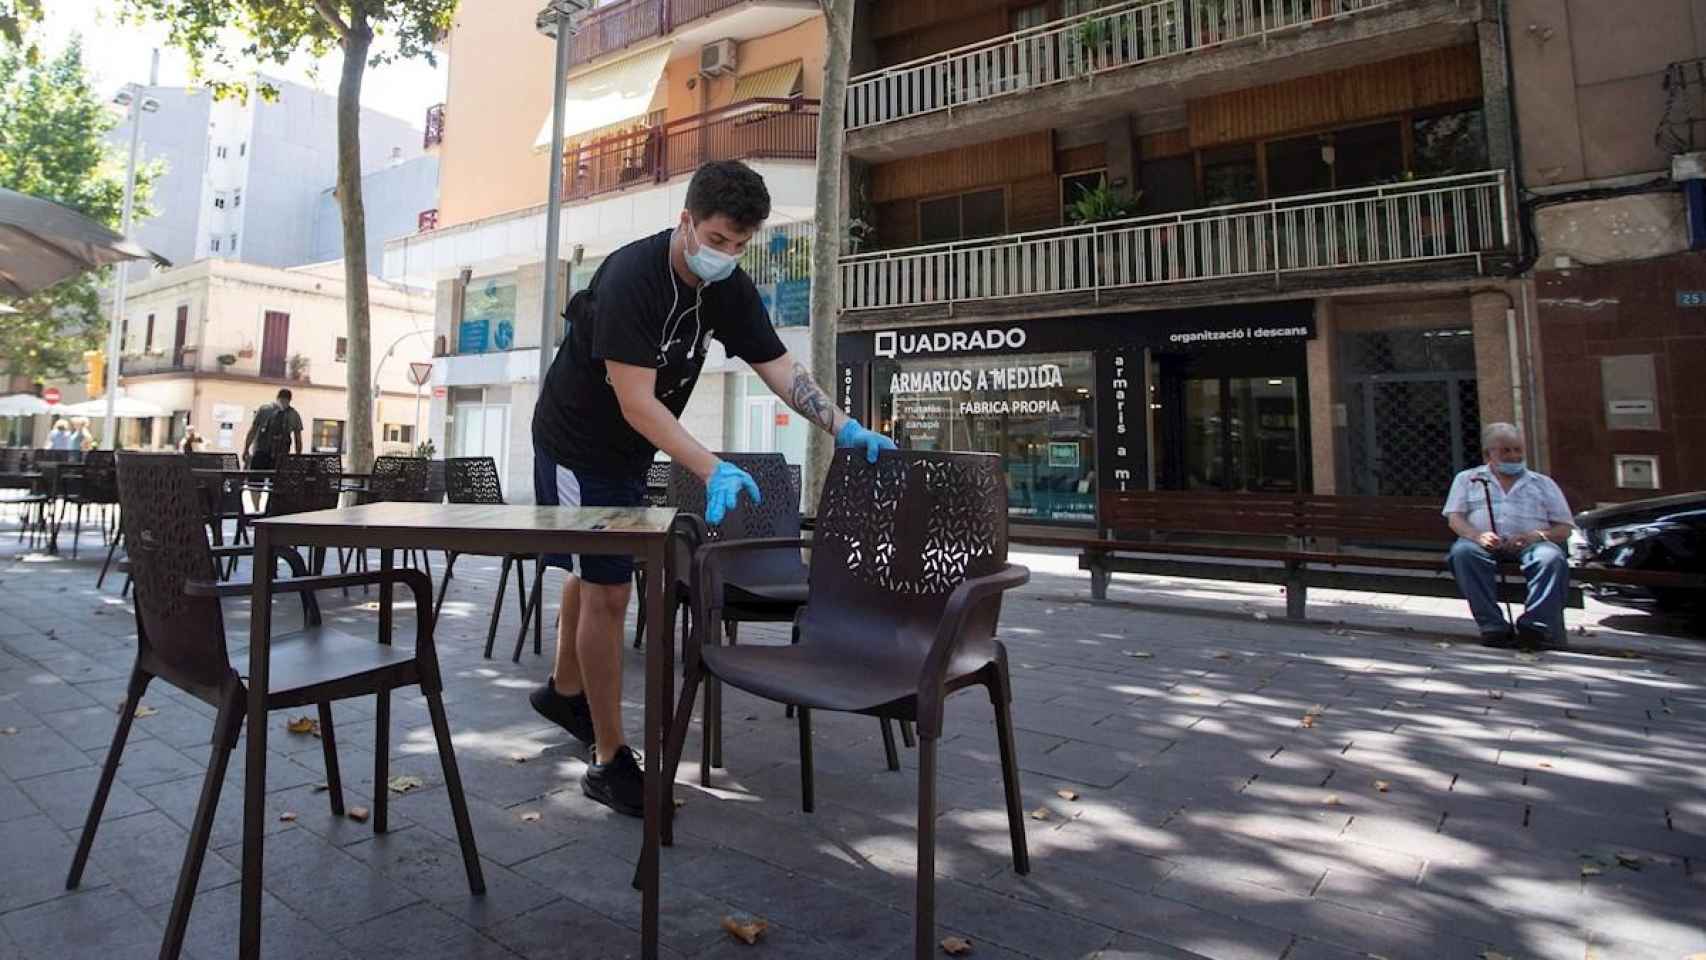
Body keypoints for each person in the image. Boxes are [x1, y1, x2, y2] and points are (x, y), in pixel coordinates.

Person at [528, 159, 896, 816]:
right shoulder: (631, 276)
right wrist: (709, 467)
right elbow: (637, 401)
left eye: (739, 245)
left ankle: (563, 691)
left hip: (628, 450)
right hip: (576, 444)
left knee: (592, 575)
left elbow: (780, 368)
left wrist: (844, 426)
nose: (726, 255)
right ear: (687, 221)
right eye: (718, 240)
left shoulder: (725, 287)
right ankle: (609, 760)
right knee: (610, 590)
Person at [1442, 422, 1574, 649]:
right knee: (1462, 553)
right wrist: (1477, 536)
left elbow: (1564, 528)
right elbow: (1455, 518)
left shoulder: (1542, 483)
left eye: (1517, 450)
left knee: (1550, 558)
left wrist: (1536, 536)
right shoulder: (1468, 479)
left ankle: (1535, 627)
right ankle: (1492, 626)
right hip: (1483, 544)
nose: (1513, 456)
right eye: (1505, 450)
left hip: (1533, 545)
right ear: (1488, 454)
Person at [242, 388, 303, 469]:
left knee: (256, 480)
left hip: (261, 452)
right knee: (276, 480)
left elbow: (253, 431)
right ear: (290, 399)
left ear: (277, 397)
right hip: (281, 455)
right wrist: (297, 457)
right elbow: (298, 439)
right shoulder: (294, 414)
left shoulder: (264, 409)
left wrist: (246, 449)